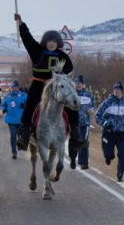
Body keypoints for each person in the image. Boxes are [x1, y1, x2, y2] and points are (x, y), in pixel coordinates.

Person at [13, 13, 82, 151]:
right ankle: (24, 136)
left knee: (71, 106)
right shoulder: (37, 51)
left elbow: (70, 67)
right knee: (30, 106)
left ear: (58, 43)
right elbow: (28, 39)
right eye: (49, 41)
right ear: (45, 42)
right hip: (39, 84)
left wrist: (61, 71)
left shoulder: (62, 55)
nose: (52, 43)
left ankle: (76, 137)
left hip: (56, 86)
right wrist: (21, 24)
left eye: (54, 41)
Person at [95, 82, 124, 182]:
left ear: (122, 91)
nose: (116, 91)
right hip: (109, 132)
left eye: (118, 89)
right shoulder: (107, 102)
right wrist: (105, 123)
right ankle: (108, 157)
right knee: (109, 155)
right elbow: (97, 115)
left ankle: (120, 174)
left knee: (123, 154)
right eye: (115, 89)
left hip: (122, 133)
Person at [69, 75, 96, 170]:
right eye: (76, 83)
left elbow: (93, 104)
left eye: (79, 83)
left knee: (84, 141)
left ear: (83, 84)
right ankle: (72, 159)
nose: (77, 85)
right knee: (74, 142)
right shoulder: (70, 94)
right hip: (74, 124)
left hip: (85, 123)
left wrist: (91, 109)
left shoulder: (88, 95)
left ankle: (84, 162)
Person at [0, 81, 27, 159]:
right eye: (13, 87)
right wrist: (4, 109)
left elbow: (30, 103)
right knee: (13, 135)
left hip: (20, 119)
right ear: (11, 88)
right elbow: (3, 104)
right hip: (11, 119)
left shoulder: (23, 96)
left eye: (15, 87)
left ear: (18, 88)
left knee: (20, 135)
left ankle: (19, 144)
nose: (14, 89)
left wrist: (25, 105)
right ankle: (14, 152)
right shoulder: (7, 96)